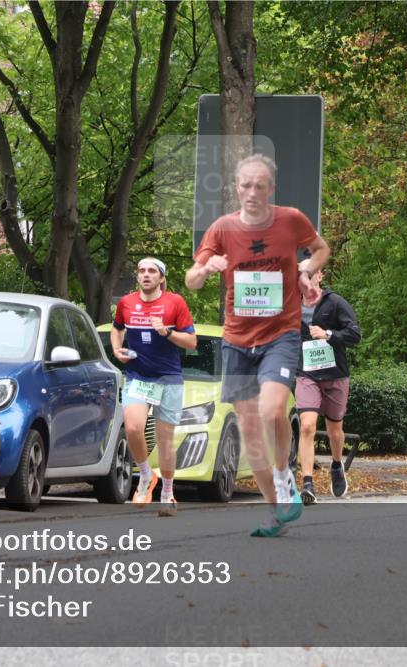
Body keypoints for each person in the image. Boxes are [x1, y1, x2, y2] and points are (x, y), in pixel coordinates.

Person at [185, 154, 330, 537]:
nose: (252, 192)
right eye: (245, 185)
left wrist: (304, 270)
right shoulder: (222, 228)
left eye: (260, 185)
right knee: (249, 430)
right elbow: (191, 281)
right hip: (236, 340)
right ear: (236, 188)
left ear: (271, 189)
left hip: (280, 333)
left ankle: (284, 476)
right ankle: (275, 510)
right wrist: (205, 268)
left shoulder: (291, 219)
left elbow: (321, 249)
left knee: (271, 411)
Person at [111, 257, 196, 516]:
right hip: (138, 376)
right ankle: (146, 476)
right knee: (134, 427)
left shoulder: (175, 303)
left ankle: (168, 492)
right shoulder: (127, 303)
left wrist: (167, 333)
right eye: (141, 271)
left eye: (152, 271)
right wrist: (117, 349)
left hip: (168, 378)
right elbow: (117, 329)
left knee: (165, 441)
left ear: (161, 278)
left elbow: (192, 342)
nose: (146, 275)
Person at [295, 263, 362, 504]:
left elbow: (355, 334)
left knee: (335, 430)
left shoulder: (335, 303)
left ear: (320, 276)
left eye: (310, 277)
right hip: (307, 374)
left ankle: (336, 464)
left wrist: (329, 335)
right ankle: (308, 483)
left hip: (335, 374)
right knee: (307, 425)